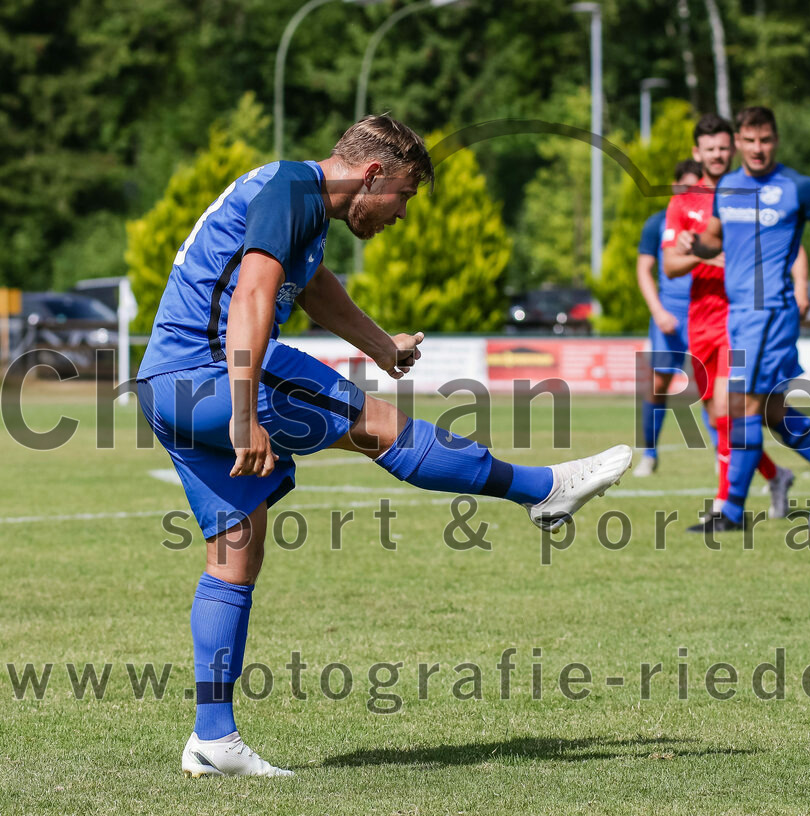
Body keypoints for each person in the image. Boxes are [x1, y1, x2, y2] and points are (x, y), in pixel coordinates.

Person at [135, 115, 632, 777]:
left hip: (165, 386)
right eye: (404, 194)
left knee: (235, 549)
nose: (402, 212)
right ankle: (543, 490)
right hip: (210, 373)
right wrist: (247, 408)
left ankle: (212, 738)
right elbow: (253, 292)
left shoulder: (300, 207)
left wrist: (381, 343)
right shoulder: (293, 189)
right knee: (382, 428)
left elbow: (313, 288)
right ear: (372, 173)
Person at [672, 106, 810, 533]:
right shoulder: (728, 188)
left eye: (766, 140)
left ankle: (731, 511)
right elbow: (715, 240)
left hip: (770, 313)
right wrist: (694, 244)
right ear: (739, 141)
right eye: (750, 140)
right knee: (774, 413)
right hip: (739, 316)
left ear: (776, 140)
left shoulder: (797, 187)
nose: (758, 149)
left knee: (740, 406)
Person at [662, 114, 799, 520]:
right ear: (697, 153)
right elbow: (669, 265)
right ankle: (777, 475)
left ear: (734, 146)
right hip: (700, 319)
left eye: (724, 147)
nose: (718, 155)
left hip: (743, 316)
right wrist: (701, 252)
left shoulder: (753, 191)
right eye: (710, 149)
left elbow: (791, 240)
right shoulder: (684, 202)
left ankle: (725, 506)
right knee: (719, 416)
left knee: (729, 408)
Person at [633, 159, 701, 477]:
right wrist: (658, 311)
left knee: (714, 389)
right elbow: (644, 269)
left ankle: (722, 460)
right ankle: (649, 453)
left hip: (705, 314)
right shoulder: (657, 223)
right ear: (676, 187)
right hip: (669, 316)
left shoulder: (713, 225)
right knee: (659, 384)